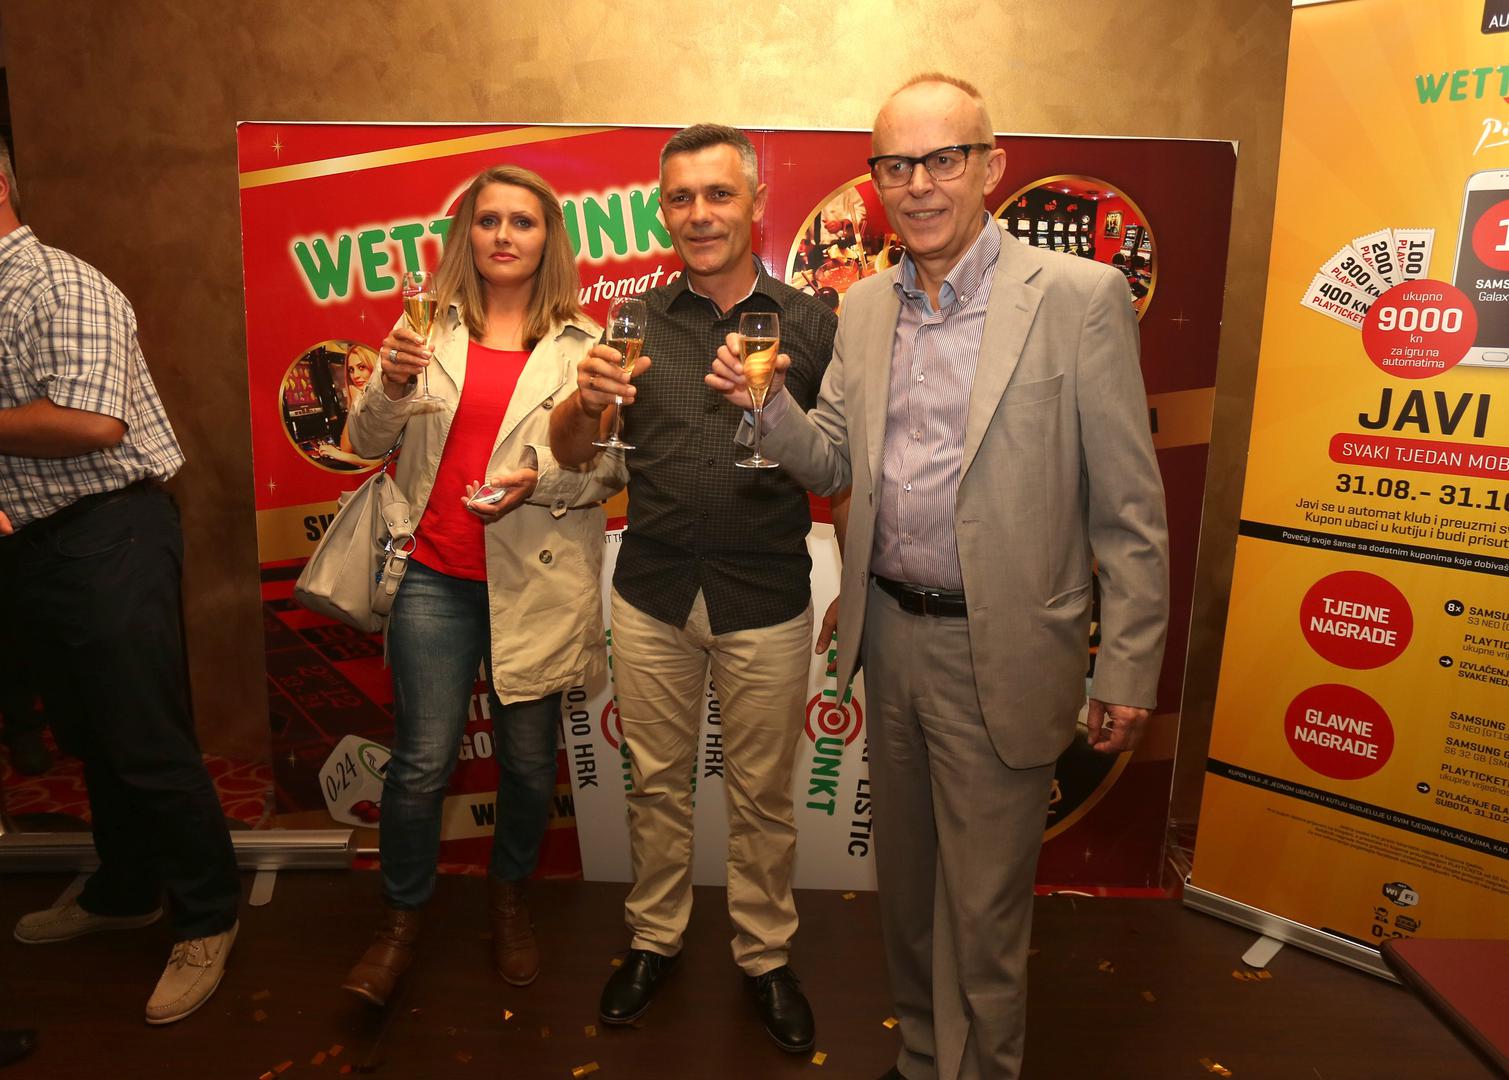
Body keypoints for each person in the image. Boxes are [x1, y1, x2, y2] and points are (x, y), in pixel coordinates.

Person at [708, 74, 1170, 1080]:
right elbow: (832, 459)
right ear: (875, 180)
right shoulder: (865, 306)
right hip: (891, 641)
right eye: (895, 165)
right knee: (910, 896)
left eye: (942, 159)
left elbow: (1129, 508)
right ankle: (923, 1059)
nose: (917, 185)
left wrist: (1129, 667)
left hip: (1006, 651)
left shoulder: (1079, 299)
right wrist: (767, 410)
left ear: (990, 166)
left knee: (984, 914)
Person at [549, 124, 838, 1054]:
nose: (699, 214)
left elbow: (840, 464)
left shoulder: (811, 323)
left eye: (719, 194)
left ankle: (765, 956)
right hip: (653, 592)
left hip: (766, 594)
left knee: (762, 798)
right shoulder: (632, 320)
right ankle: (653, 941)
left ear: (756, 203)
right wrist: (585, 401)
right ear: (662, 211)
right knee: (655, 786)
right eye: (681, 198)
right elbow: (574, 452)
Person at [340, 164, 626, 1006]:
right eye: (489, 218)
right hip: (433, 575)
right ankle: (400, 923)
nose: (503, 235)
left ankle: (508, 902)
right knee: (419, 766)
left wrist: (538, 480)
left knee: (530, 769)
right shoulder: (425, 326)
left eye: (522, 221)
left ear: (547, 239)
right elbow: (364, 440)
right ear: (467, 231)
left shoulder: (584, 345)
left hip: (534, 585)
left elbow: (607, 473)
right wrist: (392, 382)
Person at [0, 141, 242, 1025]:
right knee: (89, 734)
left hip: (110, 535)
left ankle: (208, 915)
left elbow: (93, 422)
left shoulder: (57, 284)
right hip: (37, 545)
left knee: (143, 735)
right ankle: (126, 889)